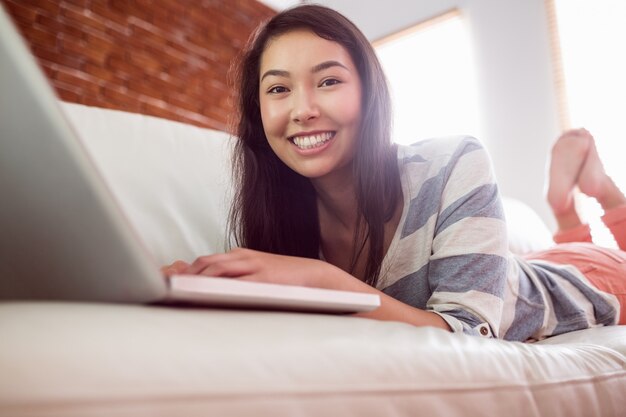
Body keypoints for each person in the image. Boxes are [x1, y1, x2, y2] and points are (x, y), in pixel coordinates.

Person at [163, 5, 624, 342]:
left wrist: (322, 281)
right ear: (257, 111)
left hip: (584, 280)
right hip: (517, 264)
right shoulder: (276, 207)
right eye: (279, 88)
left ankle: (591, 197)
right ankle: (565, 218)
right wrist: (199, 286)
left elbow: (471, 335)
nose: (302, 110)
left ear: (370, 93)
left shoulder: (453, 162)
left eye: (329, 81)